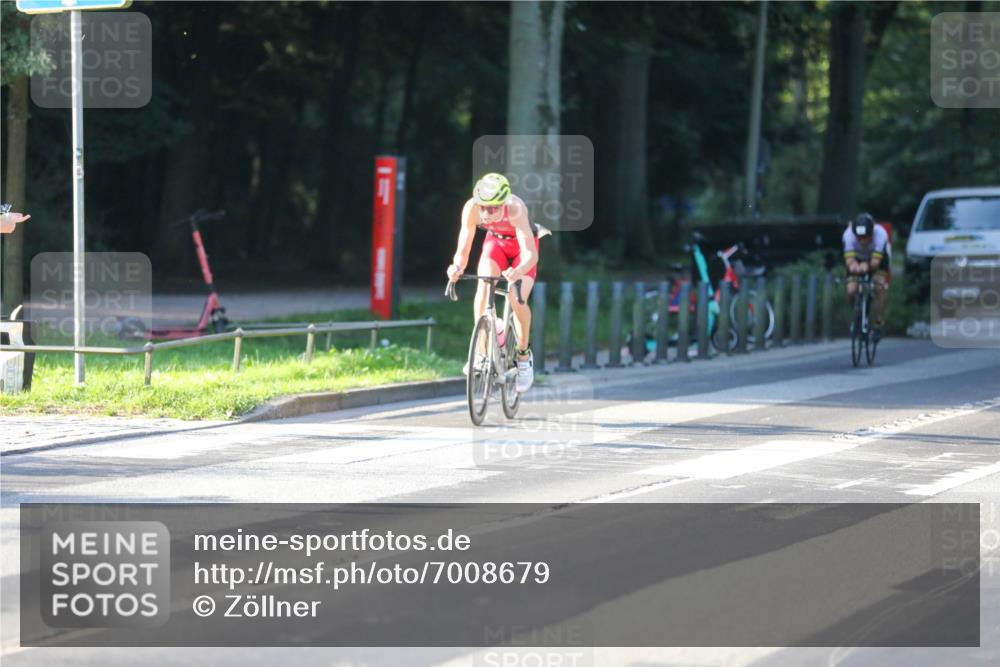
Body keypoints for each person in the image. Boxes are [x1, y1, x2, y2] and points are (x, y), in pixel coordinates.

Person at [447, 173, 545, 393]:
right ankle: (481, 354)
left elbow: (530, 253)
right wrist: (457, 268)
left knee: (516, 296)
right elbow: (463, 247)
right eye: (483, 207)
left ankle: (523, 355)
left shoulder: (516, 208)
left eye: (492, 208)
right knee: (483, 287)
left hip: (522, 251)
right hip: (496, 244)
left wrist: (518, 271)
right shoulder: (471, 208)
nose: (486, 213)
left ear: (503, 203)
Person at [843, 212, 890, 341]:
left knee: (878, 287)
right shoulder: (848, 236)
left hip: (877, 259)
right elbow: (849, 261)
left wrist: (867, 267)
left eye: (866, 237)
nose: (862, 240)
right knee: (851, 290)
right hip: (857, 259)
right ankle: (857, 314)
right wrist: (854, 266)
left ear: (871, 233)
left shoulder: (880, 235)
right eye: (859, 237)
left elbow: (875, 263)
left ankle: (878, 324)